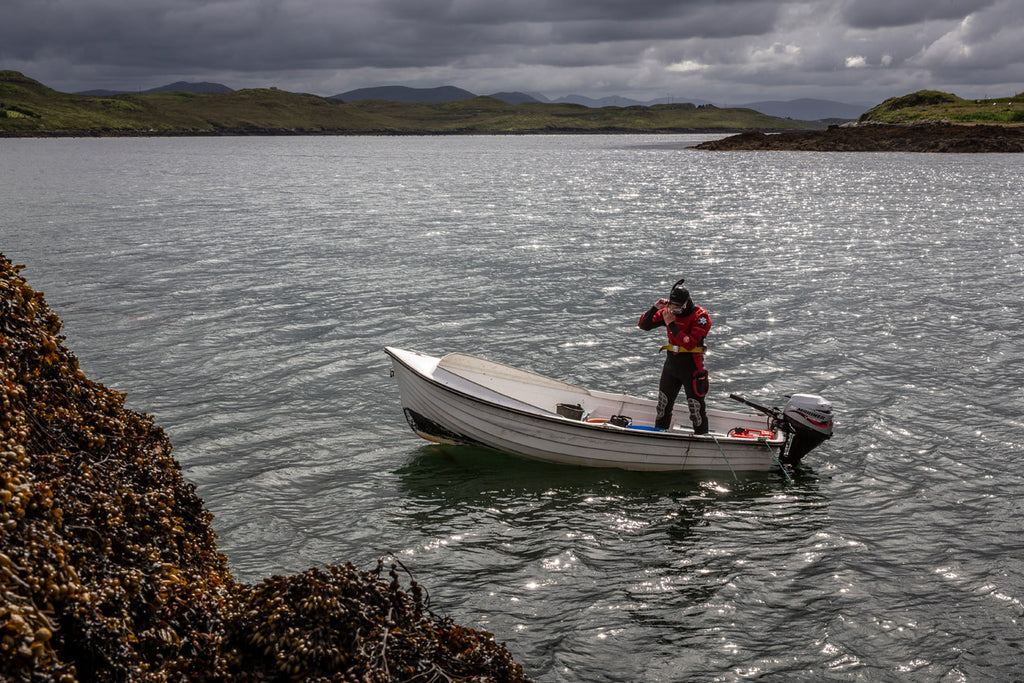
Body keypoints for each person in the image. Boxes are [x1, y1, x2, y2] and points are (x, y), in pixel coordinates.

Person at [637, 278, 712, 433]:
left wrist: (671, 324)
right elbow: (644, 325)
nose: (675, 310)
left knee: (696, 409)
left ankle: (702, 439)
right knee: (663, 405)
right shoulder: (669, 312)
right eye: (672, 306)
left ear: (686, 303)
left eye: (678, 307)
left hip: (692, 366)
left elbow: (690, 343)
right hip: (671, 365)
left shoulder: (701, 317)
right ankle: (659, 436)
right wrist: (654, 308)